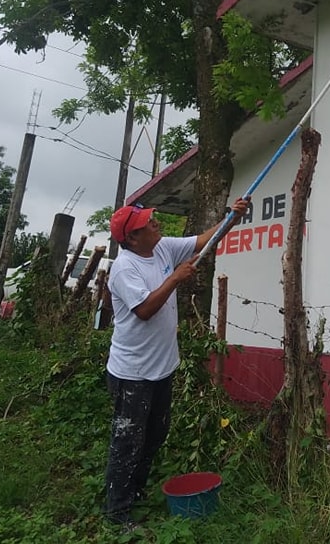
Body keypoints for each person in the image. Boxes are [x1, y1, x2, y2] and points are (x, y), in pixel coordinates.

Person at [103, 197, 249, 526]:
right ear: (132, 238)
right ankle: (117, 512)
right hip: (132, 374)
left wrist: (232, 217)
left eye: (152, 219)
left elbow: (204, 240)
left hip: (161, 367)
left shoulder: (163, 247)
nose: (156, 223)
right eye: (147, 224)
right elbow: (143, 311)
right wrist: (174, 280)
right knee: (127, 441)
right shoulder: (125, 268)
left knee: (155, 433)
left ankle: (136, 489)